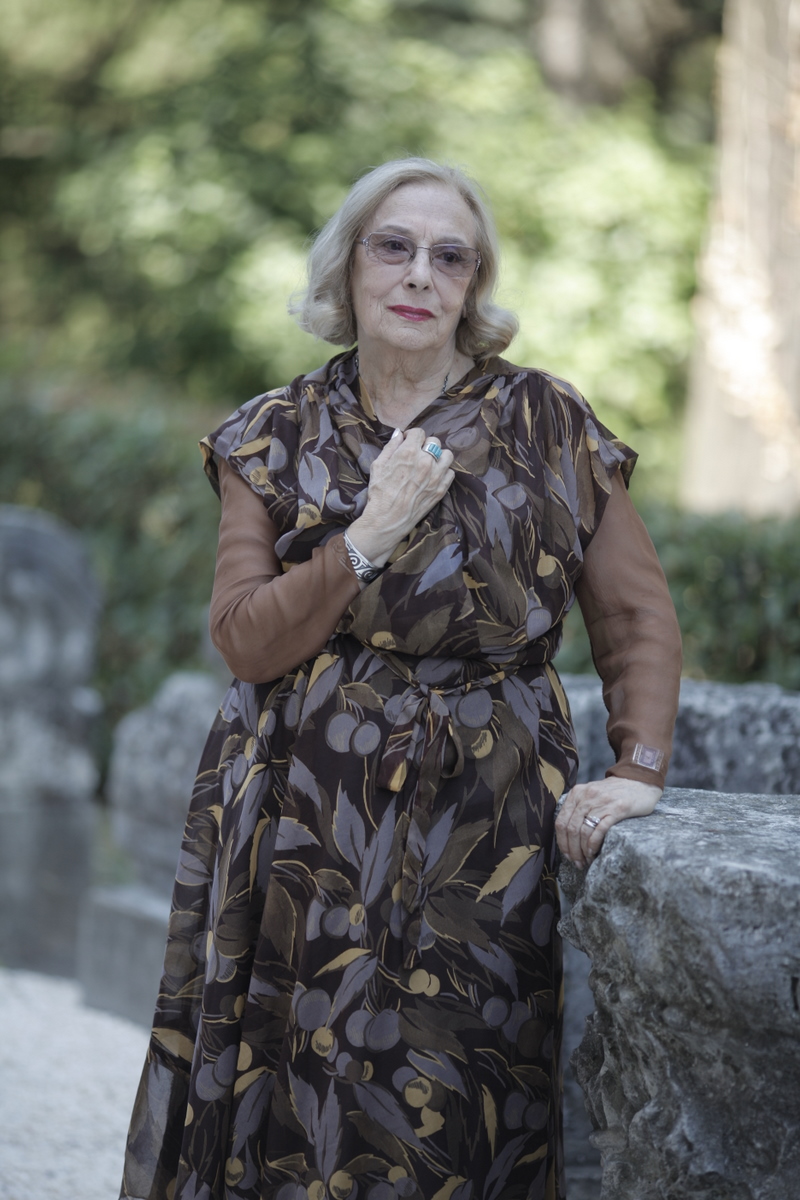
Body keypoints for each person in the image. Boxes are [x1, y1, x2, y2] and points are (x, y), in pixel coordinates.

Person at [120, 157, 681, 1200]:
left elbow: (635, 616)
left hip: (488, 815)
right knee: (292, 1081)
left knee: (460, 1088)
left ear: (473, 285)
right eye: (394, 246)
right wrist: (367, 535)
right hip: (299, 808)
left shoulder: (548, 422)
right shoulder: (274, 433)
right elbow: (243, 639)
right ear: (349, 266)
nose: (420, 273)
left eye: (449, 256)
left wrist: (637, 765)